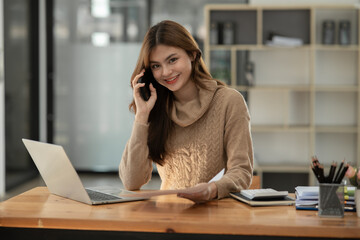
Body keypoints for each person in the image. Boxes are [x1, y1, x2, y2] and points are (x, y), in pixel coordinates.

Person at [119, 20, 253, 203]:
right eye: (156, 66)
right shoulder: (155, 107)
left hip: (214, 214)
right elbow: (131, 181)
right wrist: (141, 117)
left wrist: (212, 189)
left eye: (172, 60)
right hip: (167, 218)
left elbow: (241, 171)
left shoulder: (229, 102)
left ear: (192, 54)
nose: (166, 72)